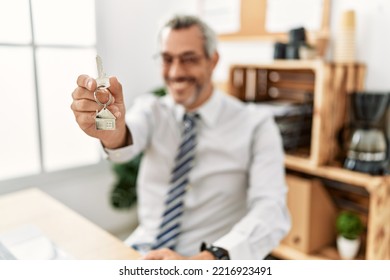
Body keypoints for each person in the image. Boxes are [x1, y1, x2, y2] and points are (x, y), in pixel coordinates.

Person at [71, 14, 290, 260]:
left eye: (189, 59)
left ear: (212, 60)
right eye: (167, 59)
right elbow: (125, 139)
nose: (175, 72)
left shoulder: (256, 125)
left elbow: (271, 211)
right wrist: (111, 132)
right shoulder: (152, 109)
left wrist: (204, 262)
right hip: (143, 249)